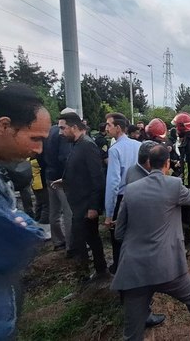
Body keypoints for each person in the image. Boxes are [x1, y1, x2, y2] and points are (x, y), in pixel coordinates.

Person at [111, 145, 190, 340]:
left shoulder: (130, 190)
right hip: (168, 267)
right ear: (167, 163)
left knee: (131, 333)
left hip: (134, 271)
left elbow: (119, 232)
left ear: (149, 163)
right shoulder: (173, 185)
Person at [0, 84, 50, 339]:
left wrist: (21, 224)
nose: (39, 150)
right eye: (35, 139)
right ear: (4, 126)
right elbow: (16, 243)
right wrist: (25, 227)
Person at [56, 112, 108, 282]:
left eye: (63, 128)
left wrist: (94, 207)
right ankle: (99, 272)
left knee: (81, 241)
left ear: (74, 127)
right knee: (89, 238)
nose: (60, 132)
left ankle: (86, 277)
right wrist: (64, 180)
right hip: (79, 204)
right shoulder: (77, 144)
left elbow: (97, 178)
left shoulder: (87, 146)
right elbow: (79, 171)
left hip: (86, 205)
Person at [124, 139, 167, 329]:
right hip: (144, 241)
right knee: (144, 283)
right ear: (150, 162)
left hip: (133, 239)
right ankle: (143, 316)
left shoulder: (133, 171)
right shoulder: (142, 180)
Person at [104, 112, 141, 274]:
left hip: (122, 199)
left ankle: (120, 272)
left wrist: (109, 213)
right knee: (136, 236)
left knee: (118, 238)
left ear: (118, 128)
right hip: (139, 196)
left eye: (109, 125)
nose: (106, 128)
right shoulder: (138, 146)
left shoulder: (115, 150)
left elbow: (113, 183)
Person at [44, 108, 75, 254]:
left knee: (54, 211)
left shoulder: (49, 131)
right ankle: (71, 245)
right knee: (68, 211)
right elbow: (64, 157)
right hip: (61, 178)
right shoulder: (63, 134)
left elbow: (41, 153)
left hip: (49, 174)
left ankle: (57, 241)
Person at [172, 112, 190, 255]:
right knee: (186, 214)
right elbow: (187, 164)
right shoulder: (186, 141)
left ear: (182, 127)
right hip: (185, 183)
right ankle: (188, 238)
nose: (176, 131)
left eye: (177, 127)